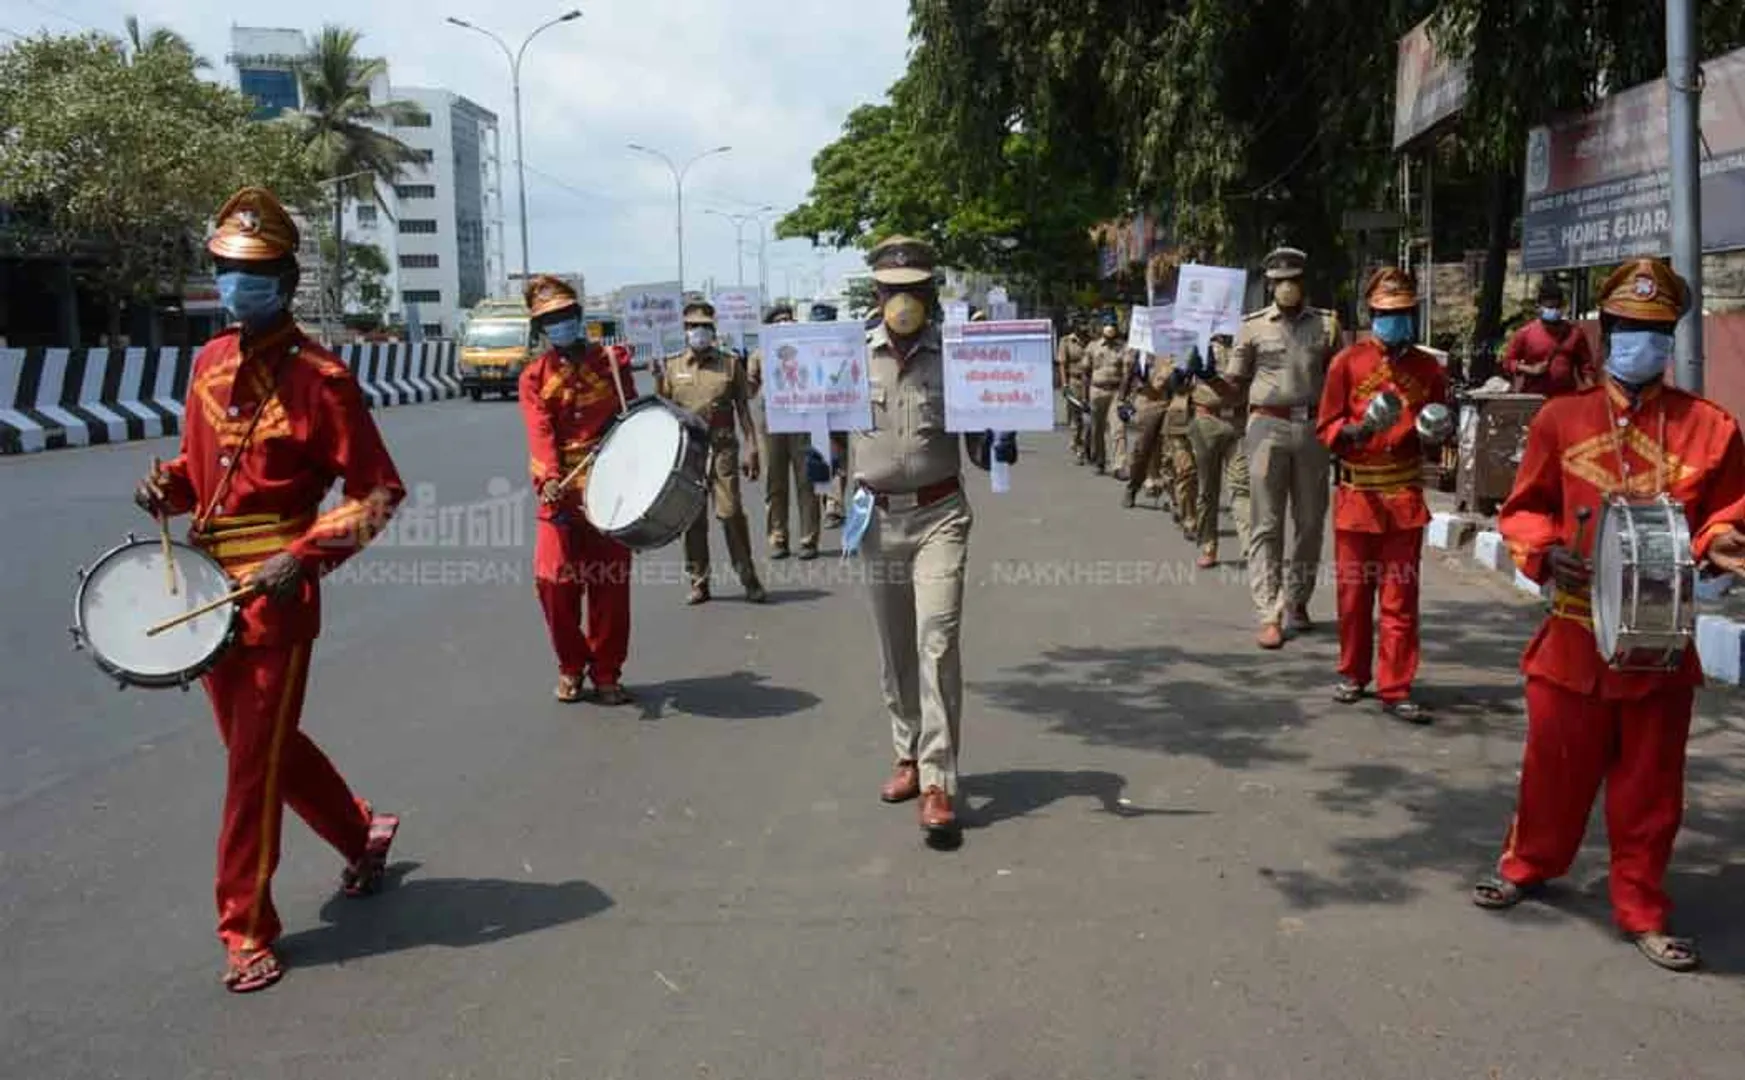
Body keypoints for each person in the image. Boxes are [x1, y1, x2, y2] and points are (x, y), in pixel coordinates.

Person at [133, 187, 404, 993]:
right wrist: (165, 488)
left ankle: (244, 928)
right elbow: (199, 478)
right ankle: (362, 834)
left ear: (285, 280)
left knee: (251, 767)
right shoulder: (207, 363)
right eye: (224, 269)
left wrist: (308, 556)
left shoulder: (323, 380)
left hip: (278, 598)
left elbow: (380, 493)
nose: (234, 284)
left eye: (251, 272)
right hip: (206, 592)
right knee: (263, 749)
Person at [1474, 258, 1745, 973]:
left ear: (1669, 336)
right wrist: (1542, 550)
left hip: (1660, 645)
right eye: (1627, 328)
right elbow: (1524, 508)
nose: (1639, 342)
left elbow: (1726, 513)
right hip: (1571, 632)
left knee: (1649, 791)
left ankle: (1641, 907)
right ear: (1605, 333)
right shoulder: (1561, 420)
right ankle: (1527, 864)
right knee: (1550, 772)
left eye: (1654, 330)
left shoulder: (1710, 428)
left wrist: (1720, 541)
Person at [853, 235, 1011, 841]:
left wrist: (995, 439)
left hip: (940, 515)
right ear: (878, 293)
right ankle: (907, 751)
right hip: (874, 516)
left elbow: (973, 441)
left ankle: (939, 778)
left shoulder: (959, 357)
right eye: (894, 291)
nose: (904, 301)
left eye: (915, 290)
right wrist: (816, 460)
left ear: (929, 294)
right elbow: (823, 429)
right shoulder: (847, 357)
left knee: (936, 640)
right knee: (894, 645)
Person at [1316, 268, 1450, 723]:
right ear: (1371, 315)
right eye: (1385, 314)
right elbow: (1326, 426)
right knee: (1353, 595)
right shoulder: (1347, 363)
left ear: (1413, 316)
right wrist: (1352, 430)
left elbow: (1438, 426)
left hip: (1404, 497)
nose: (1394, 321)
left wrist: (1436, 430)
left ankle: (1396, 685)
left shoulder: (1428, 368)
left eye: (1403, 314)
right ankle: (1353, 673)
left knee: (1400, 598)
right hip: (1357, 495)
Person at [518, 274, 637, 706]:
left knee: (610, 582)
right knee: (553, 581)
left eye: (567, 316)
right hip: (561, 492)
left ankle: (607, 671)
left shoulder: (612, 360)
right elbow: (539, 430)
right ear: (540, 329)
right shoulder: (534, 377)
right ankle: (571, 665)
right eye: (551, 320)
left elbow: (632, 417)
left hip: (611, 488)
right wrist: (548, 477)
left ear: (579, 317)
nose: (561, 325)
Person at [1225, 247, 1340, 649]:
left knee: (1310, 522)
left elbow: (1339, 379)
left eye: (1293, 277)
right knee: (1266, 523)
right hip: (1266, 426)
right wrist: (1205, 372)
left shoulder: (1327, 325)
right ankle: (1269, 612)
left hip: (1312, 427)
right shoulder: (1252, 327)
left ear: (1304, 281)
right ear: (1269, 284)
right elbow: (1234, 385)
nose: (1286, 285)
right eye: (1279, 280)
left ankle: (1297, 599)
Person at [658, 301, 766, 604]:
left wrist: (752, 447)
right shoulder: (672, 366)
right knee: (693, 519)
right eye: (693, 326)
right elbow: (662, 410)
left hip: (722, 449)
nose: (699, 332)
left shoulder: (730, 365)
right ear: (685, 330)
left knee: (730, 514)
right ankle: (699, 581)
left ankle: (749, 578)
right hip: (687, 453)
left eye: (704, 326)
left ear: (713, 330)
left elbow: (743, 409)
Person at [750, 303, 823, 561]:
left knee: (807, 482)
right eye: (779, 320)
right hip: (772, 423)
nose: (785, 323)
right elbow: (749, 388)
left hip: (804, 421)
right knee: (775, 483)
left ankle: (809, 539)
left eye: (789, 319)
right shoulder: (760, 353)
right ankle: (778, 538)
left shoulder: (809, 350)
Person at [1187, 333, 1251, 568]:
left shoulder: (1246, 343)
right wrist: (1185, 371)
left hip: (1238, 422)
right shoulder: (1199, 344)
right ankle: (1208, 545)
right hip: (1206, 421)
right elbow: (1180, 383)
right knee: (1207, 489)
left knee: (1242, 485)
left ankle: (1250, 548)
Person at [1502, 279, 1596, 397]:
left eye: (1557, 306)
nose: (1554, 310)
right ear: (1539, 307)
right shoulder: (1525, 333)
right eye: (1549, 307)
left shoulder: (1575, 333)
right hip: (1535, 398)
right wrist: (1530, 369)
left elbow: (1586, 366)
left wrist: (1592, 392)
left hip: (1565, 398)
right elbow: (1508, 362)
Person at [1117, 345, 1173, 509]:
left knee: (1172, 452)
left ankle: (1174, 498)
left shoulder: (1177, 347)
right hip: (1148, 402)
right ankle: (1133, 488)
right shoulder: (1142, 349)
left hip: (1172, 403)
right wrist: (1122, 401)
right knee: (1142, 450)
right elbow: (1128, 376)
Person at [1083, 312, 1127, 475]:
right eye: (1108, 325)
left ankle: (1119, 465)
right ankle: (1099, 460)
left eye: (1113, 325)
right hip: (1096, 391)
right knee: (1097, 429)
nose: (1110, 328)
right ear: (1102, 327)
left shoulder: (1123, 348)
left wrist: (1123, 396)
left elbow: (1126, 374)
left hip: (1115, 392)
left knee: (1118, 429)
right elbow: (1086, 373)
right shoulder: (1092, 347)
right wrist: (1084, 397)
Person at [1057, 313, 1093, 463]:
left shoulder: (1092, 341)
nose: (1083, 327)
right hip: (1074, 381)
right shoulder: (1066, 341)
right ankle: (1078, 446)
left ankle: (1087, 446)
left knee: (1091, 419)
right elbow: (1062, 364)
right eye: (1080, 323)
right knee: (1076, 418)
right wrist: (1064, 385)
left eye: (1085, 323)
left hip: (1091, 383)